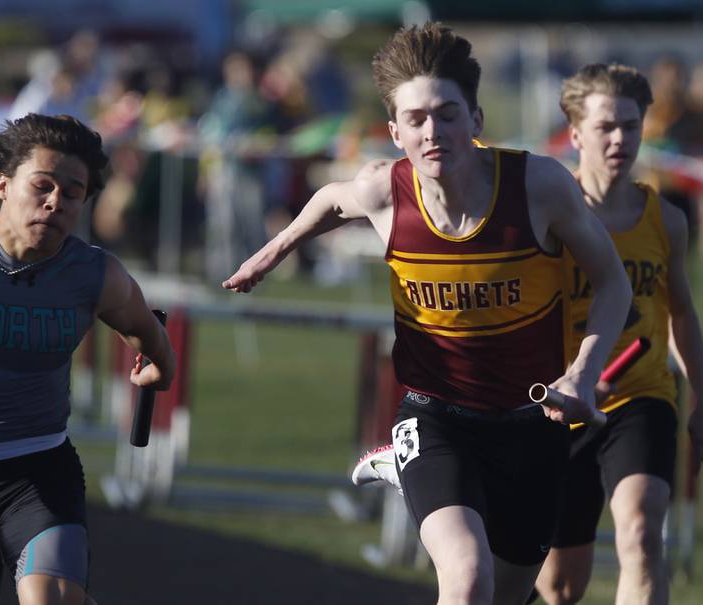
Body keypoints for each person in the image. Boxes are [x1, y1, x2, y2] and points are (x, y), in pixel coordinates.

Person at [223, 23, 631, 605]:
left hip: (531, 426)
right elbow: (331, 199)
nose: (432, 131)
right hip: (437, 416)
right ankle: (410, 457)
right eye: (415, 119)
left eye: (447, 114)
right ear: (395, 131)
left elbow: (613, 283)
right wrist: (274, 251)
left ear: (476, 120)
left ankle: (400, 468)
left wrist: (584, 373)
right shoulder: (384, 193)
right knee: (466, 580)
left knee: (506, 594)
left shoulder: (538, 187)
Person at [0, 113, 176, 605]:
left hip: (40, 469)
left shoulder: (97, 276)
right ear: (4, 185)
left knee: (51, 598)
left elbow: (152, 338)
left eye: (72, 193)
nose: (55, 201)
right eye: (43, 185)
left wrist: (160, 365)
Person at [530, 63, 703, 605]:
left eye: (631, 126)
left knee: (640, 532)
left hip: (643, 398)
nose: (620, 139)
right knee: (560, 586)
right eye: (606, 126)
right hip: (562, 405)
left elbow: (682, 313)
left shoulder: (666, 221)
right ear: (577, 133)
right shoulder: (547, 220)